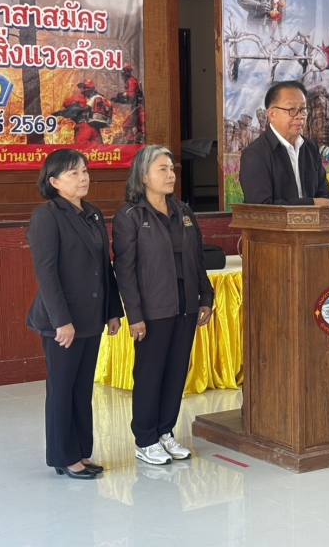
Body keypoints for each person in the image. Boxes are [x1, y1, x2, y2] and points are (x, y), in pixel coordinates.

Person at [113, 146, 214, 465]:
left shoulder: (183, 211)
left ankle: (165, 431)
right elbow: (125, 270)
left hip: (185, 305)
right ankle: (145, 439)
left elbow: (197, 258)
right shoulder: (130, 215)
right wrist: (134, 315)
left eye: (172, 169)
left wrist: (206, 297)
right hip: (152, 308)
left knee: (176, 371)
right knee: (150, 373)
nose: (171, 175)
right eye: (163, 169)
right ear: (144, 176)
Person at [26, 149, 124, 479]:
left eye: (84, 171)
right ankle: (64, 457)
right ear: (54, 182)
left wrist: (112, 311)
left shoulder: (92, 213)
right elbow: (47, 273)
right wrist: (61, 321)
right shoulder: (47, 216)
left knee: (82, 389)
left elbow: (104, 267)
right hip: (63, 321)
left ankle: (81, 451)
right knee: (62, 389)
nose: (83, 178)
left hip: (91, 317)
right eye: (73, 173)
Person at [239, 80, 329, 206]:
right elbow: (261, 206)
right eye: (292, 110)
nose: (300, 116)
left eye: (303, 109)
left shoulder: (310, 147)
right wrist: (311, 203)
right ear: (272, 114)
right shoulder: (255, 154)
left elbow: (325, 193)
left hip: (315, 219)